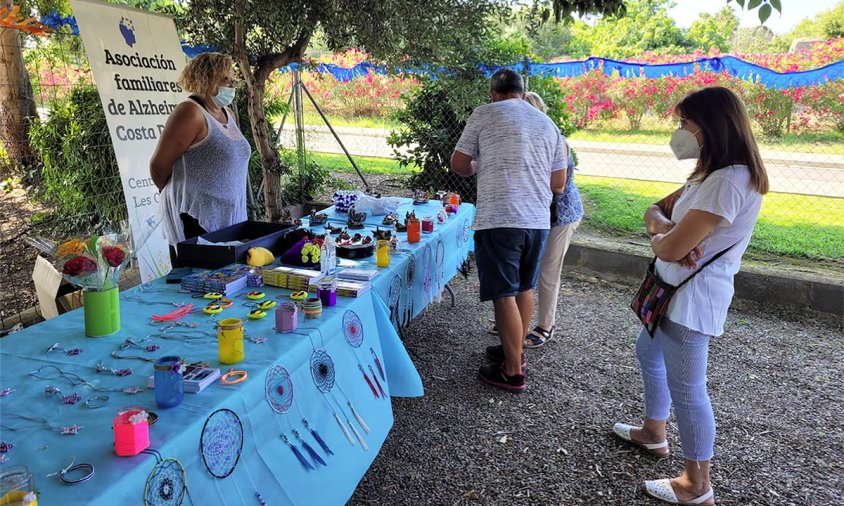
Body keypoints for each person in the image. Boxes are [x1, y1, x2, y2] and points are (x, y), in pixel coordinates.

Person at [612, 87, 768, 506]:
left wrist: (664, 235)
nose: (679, 132)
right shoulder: (709, 172)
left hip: (692, 300)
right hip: (672, 292)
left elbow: (669, 249)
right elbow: (655, 211)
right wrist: (662, 226)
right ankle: (653, 433)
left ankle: (697, 485)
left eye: (685, 123)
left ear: (711, 126)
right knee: (648, 352)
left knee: (689, 389)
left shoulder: (729, 180)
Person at [450, 69, 567, 392]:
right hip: (537, 221)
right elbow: (558, 184)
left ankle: (512, 371)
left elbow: (459, 164)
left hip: (500, 217)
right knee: (523, 288)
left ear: (493, 93)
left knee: (503, 293)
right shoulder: (548, 123)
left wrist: (478, 166)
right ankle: (513, 348)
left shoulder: (484, 113)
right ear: (522, 91)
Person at [150, 52, 251, 251]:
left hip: (229, 216)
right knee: (198, 278)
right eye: (225, 80)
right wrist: (183, 193)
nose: (230, 86)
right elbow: (159, 167)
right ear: (205, 78)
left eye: (232, 81)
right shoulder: (190, 112)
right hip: (195, 216)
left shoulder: (227, 113)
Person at [521, 91, 583, 348]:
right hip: (534, 214)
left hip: (560, 216)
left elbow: (555, 185)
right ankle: (517, 320)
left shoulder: (558, 140)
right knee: (524, 268)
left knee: (548, 270)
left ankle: (546, 324)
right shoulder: (525, 140)